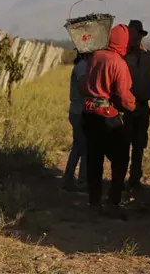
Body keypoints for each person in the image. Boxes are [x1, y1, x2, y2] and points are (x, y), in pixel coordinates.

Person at [81, 24, 137, 219]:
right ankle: (113, 201)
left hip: (88, 114)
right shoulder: (118, 63)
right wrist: (132, 106)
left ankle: (93, 202)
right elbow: (123, 96)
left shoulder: (95, 56)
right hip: (107, 115)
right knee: (121, 159)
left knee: (94, 159)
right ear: (124, 42)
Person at [123, 20, 150, 190]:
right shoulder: (122, 56)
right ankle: (120, 178)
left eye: (137, 33)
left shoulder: (149, 57)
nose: (134, 37)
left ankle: (135, 178)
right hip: (124, 107)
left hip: (143, 106)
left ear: (141, 35)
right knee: (123, 144)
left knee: (139, 145)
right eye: (131, 33)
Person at [61, 50, 89, 192]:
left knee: (80, 147)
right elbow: (85, 88)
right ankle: (80, 181)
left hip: (79, 111)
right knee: (82, 148)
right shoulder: (83, 66)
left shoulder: (83, 65)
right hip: (80, 112)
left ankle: (70, 179)